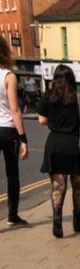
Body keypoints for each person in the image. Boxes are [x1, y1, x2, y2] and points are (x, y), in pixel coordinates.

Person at [37, 64, 80, 239]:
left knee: (58, 186)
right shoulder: (78, 97)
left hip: (55, 144)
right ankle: (77, 222)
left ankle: (57, 220)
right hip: (74, 144)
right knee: (78, 186)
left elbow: (41, 120)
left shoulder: (47, 97)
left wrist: (56, 122)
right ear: (71, 79)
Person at [0, 37, 28, 228]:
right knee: (12, 173)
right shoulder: (9, 76)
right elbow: (14, 109)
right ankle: (12, 215)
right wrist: (23, 138)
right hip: (8, 130)